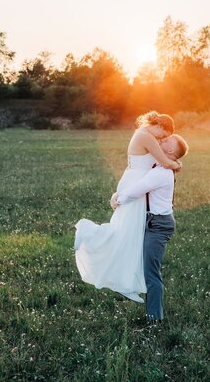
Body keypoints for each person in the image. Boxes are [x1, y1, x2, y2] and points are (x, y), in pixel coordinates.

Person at [74, 111, 180, 303]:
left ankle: (126, 283)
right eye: (163, 135)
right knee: (123, 232)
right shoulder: (145, 135)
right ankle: (87, 231)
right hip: (136, 185)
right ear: (160, 126)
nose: (162, 140)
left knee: (132, 235)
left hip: (138, 184)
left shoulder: (146, 135)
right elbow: (164, 161)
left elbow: (160, 161)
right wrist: (176, 164)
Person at [111, 134, 189, 322]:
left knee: (151, 273)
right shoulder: (161, 164)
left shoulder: (161, 172)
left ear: (170, 151)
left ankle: (155, 318)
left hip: (158, 225)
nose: (162, 140)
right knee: (142, 265)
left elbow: (138, 189)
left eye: (167, 141)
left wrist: (116, 199)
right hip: (151, 222)